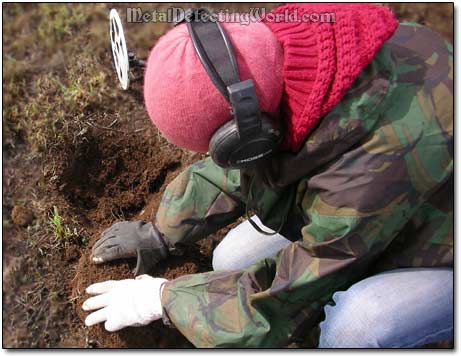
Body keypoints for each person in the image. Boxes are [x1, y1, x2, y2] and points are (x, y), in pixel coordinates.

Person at [81, 3, 453, 348]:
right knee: (230, 258)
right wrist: (161, 232)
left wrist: (163, 300)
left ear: (247, 140)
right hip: (390, 205)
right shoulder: (283, 53)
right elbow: (243, 166)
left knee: (355, 324)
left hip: (441, 243)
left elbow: (282, 299)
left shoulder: (364, 174)